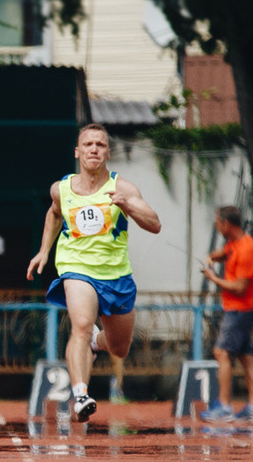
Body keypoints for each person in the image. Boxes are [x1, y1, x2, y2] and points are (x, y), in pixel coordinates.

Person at [28, 123, 162, 424]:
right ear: (78, 152)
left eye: (100, 145)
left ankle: (95, 344)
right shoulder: (61, 189)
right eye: (88, 144)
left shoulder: (123, 188)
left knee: (119, 347)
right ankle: (80, 394)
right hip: (77, 269)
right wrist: (44, 251)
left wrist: (128, 206)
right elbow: (54, 213)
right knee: (82, 324)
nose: (93, 149)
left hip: (116, 275)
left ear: (108, 152)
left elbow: (155, 224)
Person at [200, 205, 253, 421]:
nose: (217, 227)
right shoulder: (234, 244)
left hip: (239, 309)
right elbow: (224, 253)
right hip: (239, 309)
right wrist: (211, 257)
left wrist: (213, 278)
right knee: (246, 357)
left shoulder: (247, 249)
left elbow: (240, 287)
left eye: (218, 223)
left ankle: (224, 406)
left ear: (227, 224)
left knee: (222, 353)